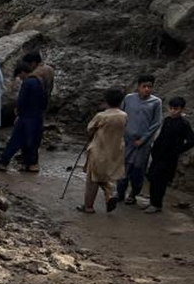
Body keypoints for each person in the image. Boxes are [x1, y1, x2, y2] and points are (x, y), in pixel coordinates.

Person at [117, 74, 163, 204]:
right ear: (138, 87)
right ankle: (120, 193)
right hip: (127, 140)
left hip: (143, 143)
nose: (147, 89)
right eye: (144, 86)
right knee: (123, 169)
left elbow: (156, 123)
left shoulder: (156, 102)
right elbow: (121, 115)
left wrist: (143, 140)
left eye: (150, 87)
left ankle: (133, 194)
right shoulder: (129, 98)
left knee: (137, 170)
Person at [79, 89, 127, 214]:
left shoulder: (101, 116)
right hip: (115, 151)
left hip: (98, 150)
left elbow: (90, 130)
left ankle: (88, 206)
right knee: (105, 175)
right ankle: (110, 194)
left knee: (93, 178)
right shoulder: (124, 115)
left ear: (106, 101)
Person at [0, 63, 48, 172]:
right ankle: (32, 164)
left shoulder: (27, 82)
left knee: (15, 140)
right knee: (33, 141)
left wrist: (18, 113)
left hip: (26, 117)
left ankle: (3, 162)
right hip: (37, 117)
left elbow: (22, 100)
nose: (19, 78)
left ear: (23, 72)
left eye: (19, 76)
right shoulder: (40, 81)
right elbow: (45, 100)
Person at [143, 97, 194, 213]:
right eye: (171, 108)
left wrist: (177, 150)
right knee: (153, 178)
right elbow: (160, 137)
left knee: (161, 181)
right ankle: (153, 202)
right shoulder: (167, 120)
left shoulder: (184, 124)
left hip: (169, 158)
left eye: (176, 109)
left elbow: (191, 140)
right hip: (158, 155)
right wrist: (154, 149)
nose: (173, 111)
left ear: (182, 109)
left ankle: (156, 204)